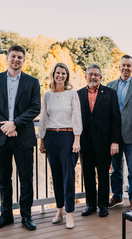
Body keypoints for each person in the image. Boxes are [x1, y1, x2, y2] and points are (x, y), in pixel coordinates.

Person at [0, 45, 41, 231]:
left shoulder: (32, 82)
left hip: (23, 137)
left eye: (19, 57)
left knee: (26, 178)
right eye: (13, 56)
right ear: (7, 58)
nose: (16, 59)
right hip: (1, 138)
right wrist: (6, 126)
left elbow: (35, 108)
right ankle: (6, 215)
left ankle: (26, 216)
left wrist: (15, 123)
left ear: (23, 60)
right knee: (3, 179)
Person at [38, 63, 82, 229]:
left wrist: (77, 139)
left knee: (68, 176)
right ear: (53, 74)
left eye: (64, 73)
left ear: (67, 76)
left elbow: (77, 116)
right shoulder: (47, 95)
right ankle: (59, 209)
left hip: (67, 136)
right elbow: (43, 118)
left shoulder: (72, 94)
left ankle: (70, 213)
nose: (60, 76)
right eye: (58, 73)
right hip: (51, 137)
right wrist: (42, 140)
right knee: (55, 175)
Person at [77, 64, 121, 217]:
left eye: (96, 74)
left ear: (101, 77)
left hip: (104, 142)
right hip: (85, 142)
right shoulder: (78, 94)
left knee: (103, 175)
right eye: (90, 74)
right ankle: (90, 205)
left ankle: (103, 205)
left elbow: (116, 119)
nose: (93, 77)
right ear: (86, 76)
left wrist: (115, 141)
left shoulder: (110, 93)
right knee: (88, 174)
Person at [107, 55, 132, 211]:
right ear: (119, 67)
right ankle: (117, 196)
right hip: (114, 137)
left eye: (128, 66)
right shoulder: (109, 86)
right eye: (123, 65)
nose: (125, 68)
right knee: (115, 168)